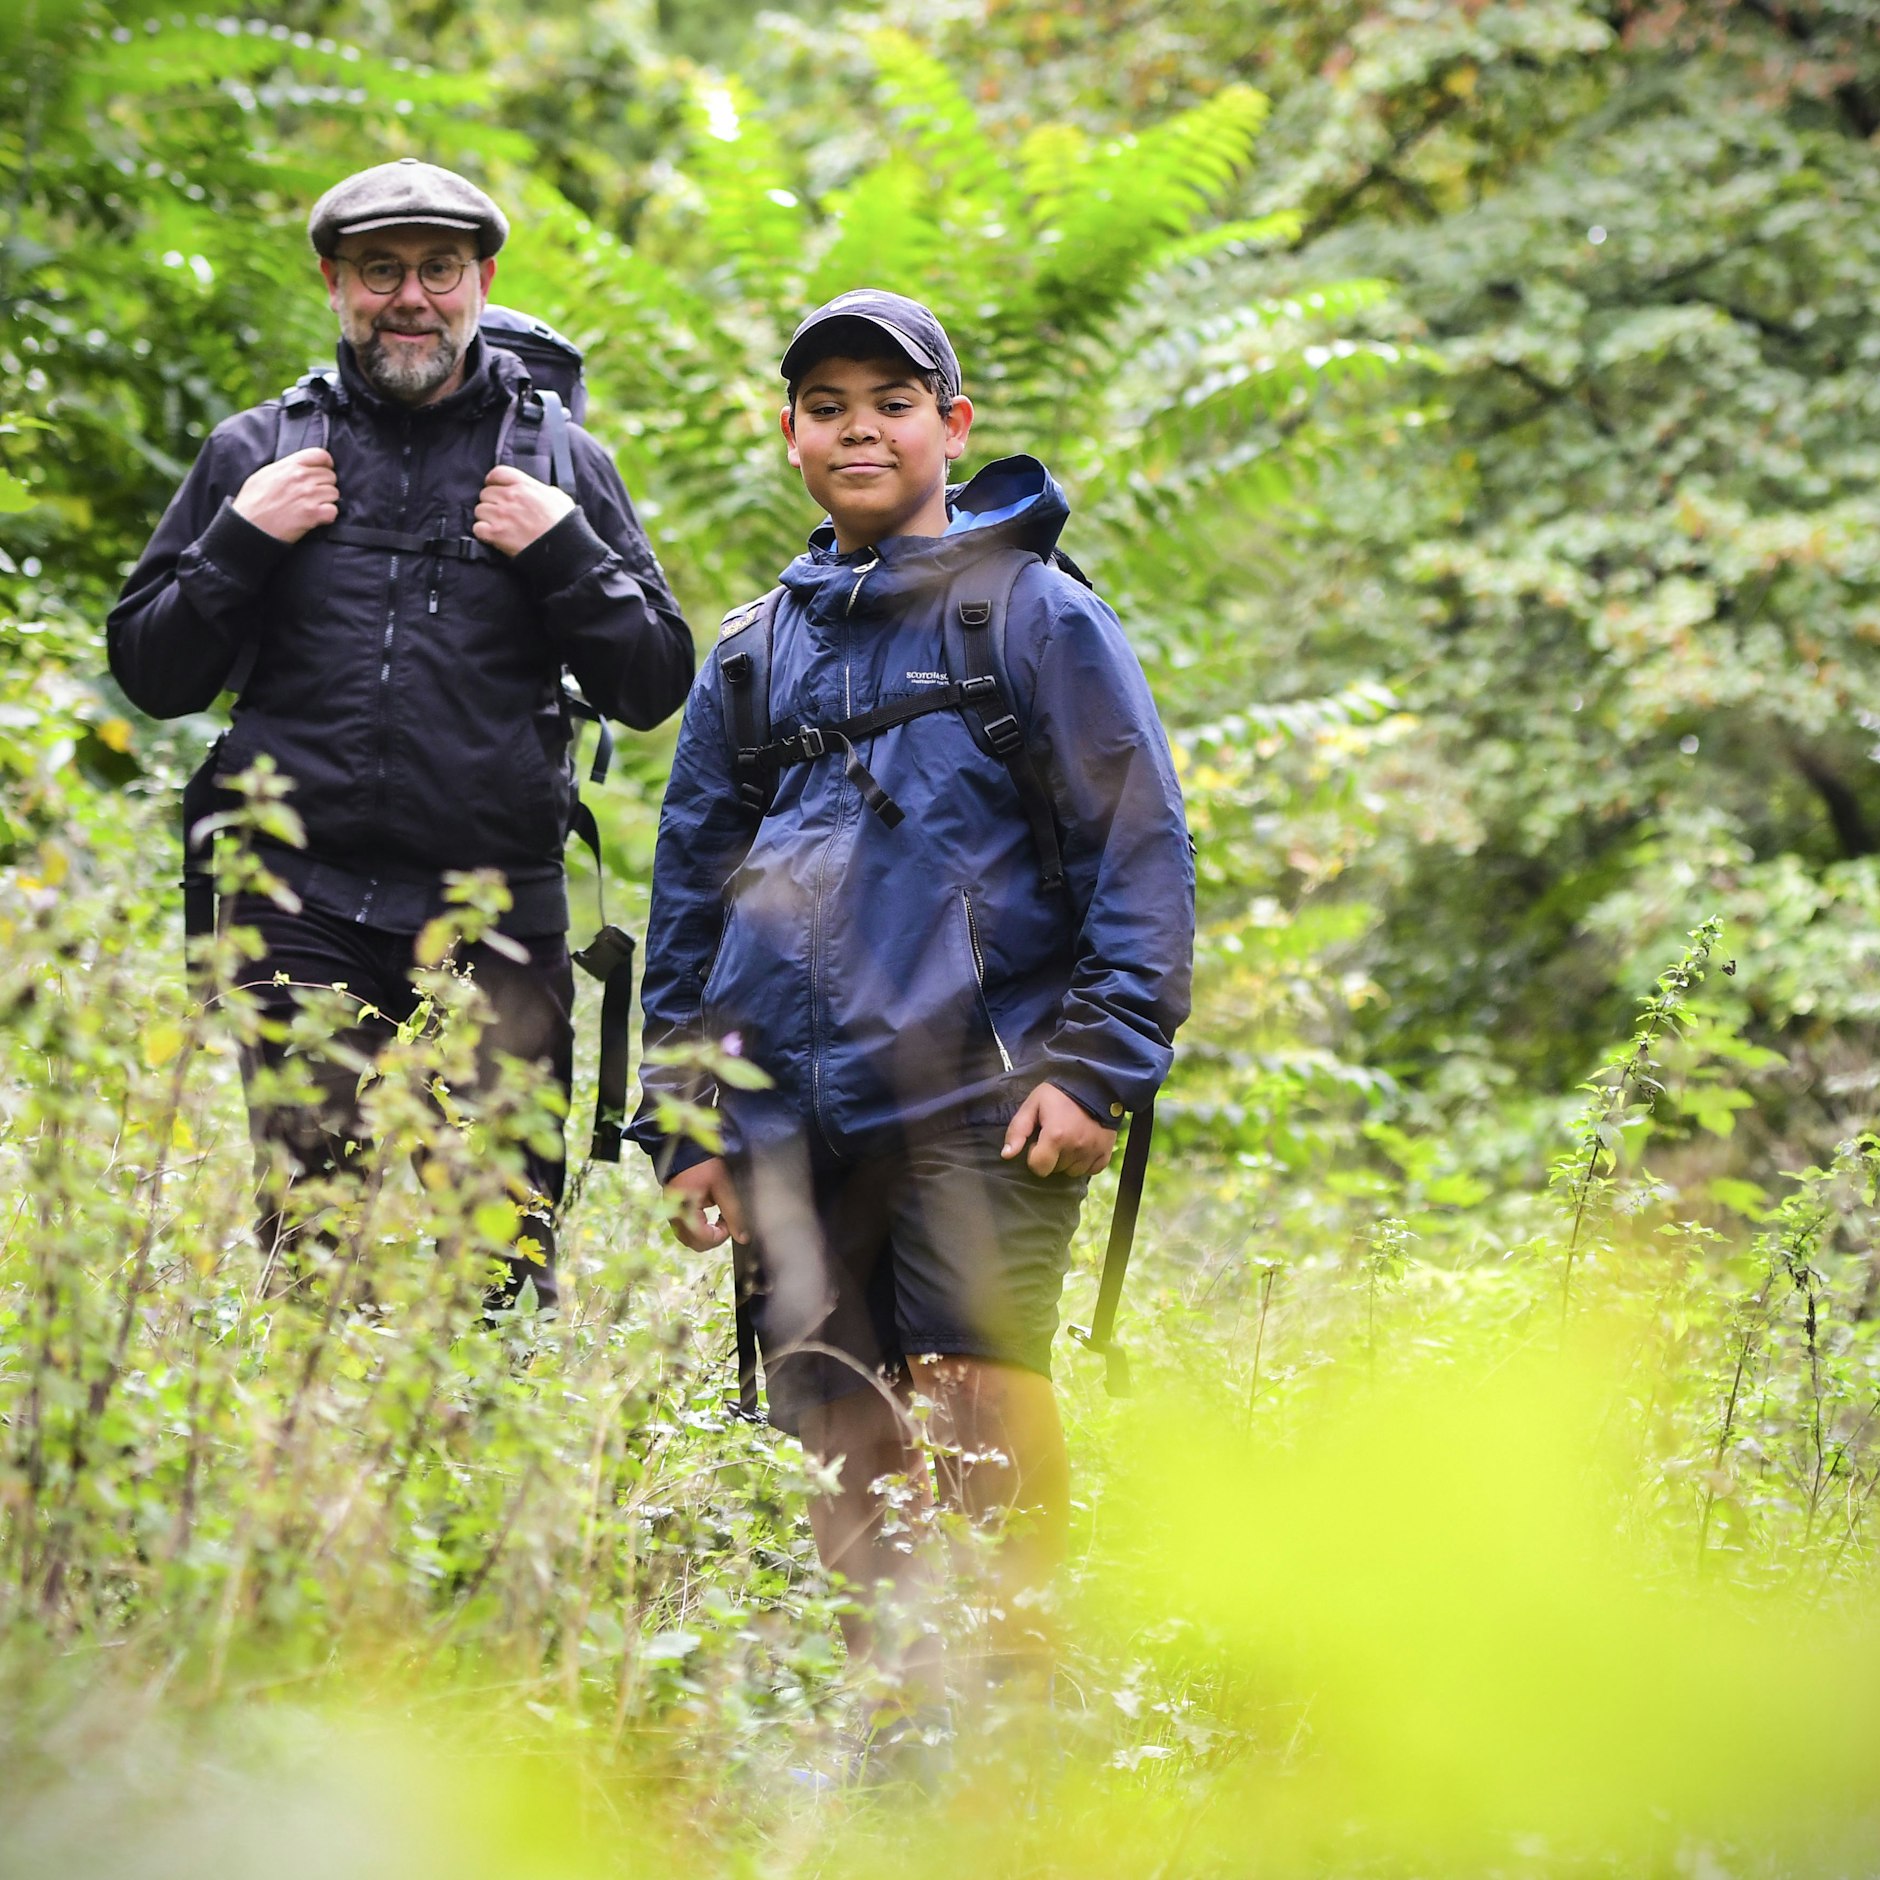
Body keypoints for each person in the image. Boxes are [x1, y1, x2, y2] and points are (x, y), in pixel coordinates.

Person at [633, 289, 1193, 1689]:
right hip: (783, 1110)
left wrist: (1098, 1064)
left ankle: (1014, 1713)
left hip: (982, 1095)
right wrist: (687, 1115)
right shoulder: (752, 650)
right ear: (789, 435)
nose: (860, 431)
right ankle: (885, 1719)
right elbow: (689, 890)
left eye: (892, 404)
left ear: (952, 425)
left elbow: (1139, 847)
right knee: (837, 1423)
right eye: (827, 408)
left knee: (978, 1404)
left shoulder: (1035, 617)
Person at [109, 159, 693, 1310]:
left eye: (437, 269)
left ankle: (494, 1419)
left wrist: (565, 550)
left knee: (503, 1262)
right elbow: (152, 673)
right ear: (335, 283)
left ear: (482, 281)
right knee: (319, 1251)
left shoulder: (561, 461)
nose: (410, 298)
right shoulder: (257, 450)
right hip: (299, 902)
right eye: (381, 271)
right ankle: (317, 1429)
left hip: (497, 916)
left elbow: (651, 681)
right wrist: (240, 538)